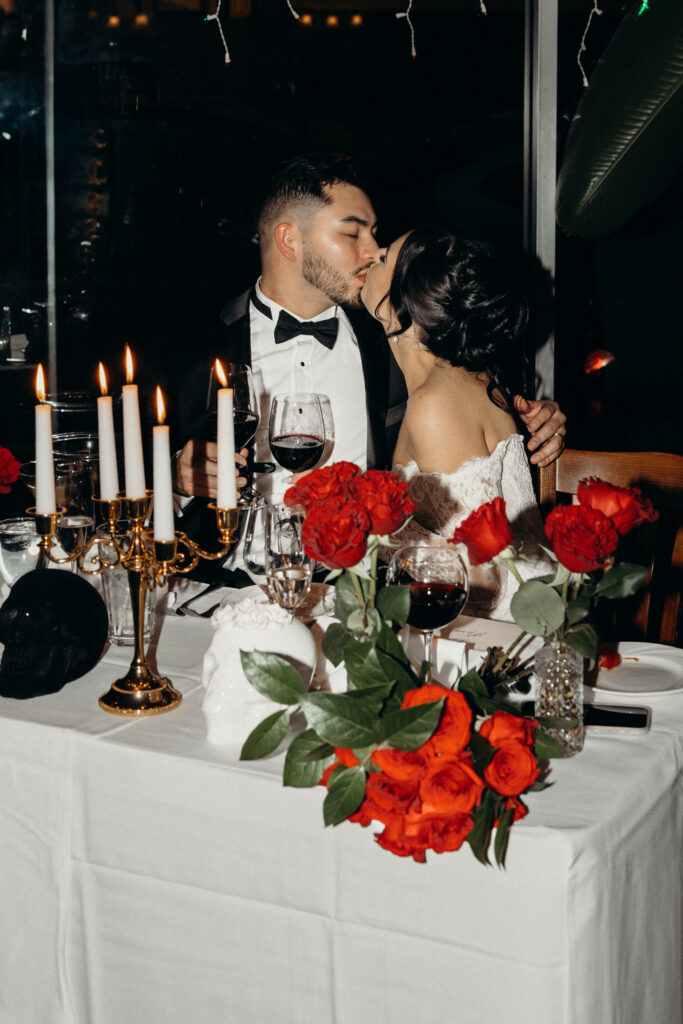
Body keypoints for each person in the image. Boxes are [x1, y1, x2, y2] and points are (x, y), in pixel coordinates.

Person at [172, 155, 566, 550]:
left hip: (360, 587)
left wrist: (537, 424)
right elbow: (123, 464)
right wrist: (176, 477)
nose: (372, 250)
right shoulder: (193, 342)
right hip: (220, 583)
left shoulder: (400, 338)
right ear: (289, 240)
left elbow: (472, 429)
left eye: (375, 234)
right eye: (352, 234)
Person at [360, 224, 552, 619]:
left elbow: (483, 582)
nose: (371, 254)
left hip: (496, 638)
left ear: (405, 303)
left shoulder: (435, 403)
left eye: (383, 259)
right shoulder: (473, 380)